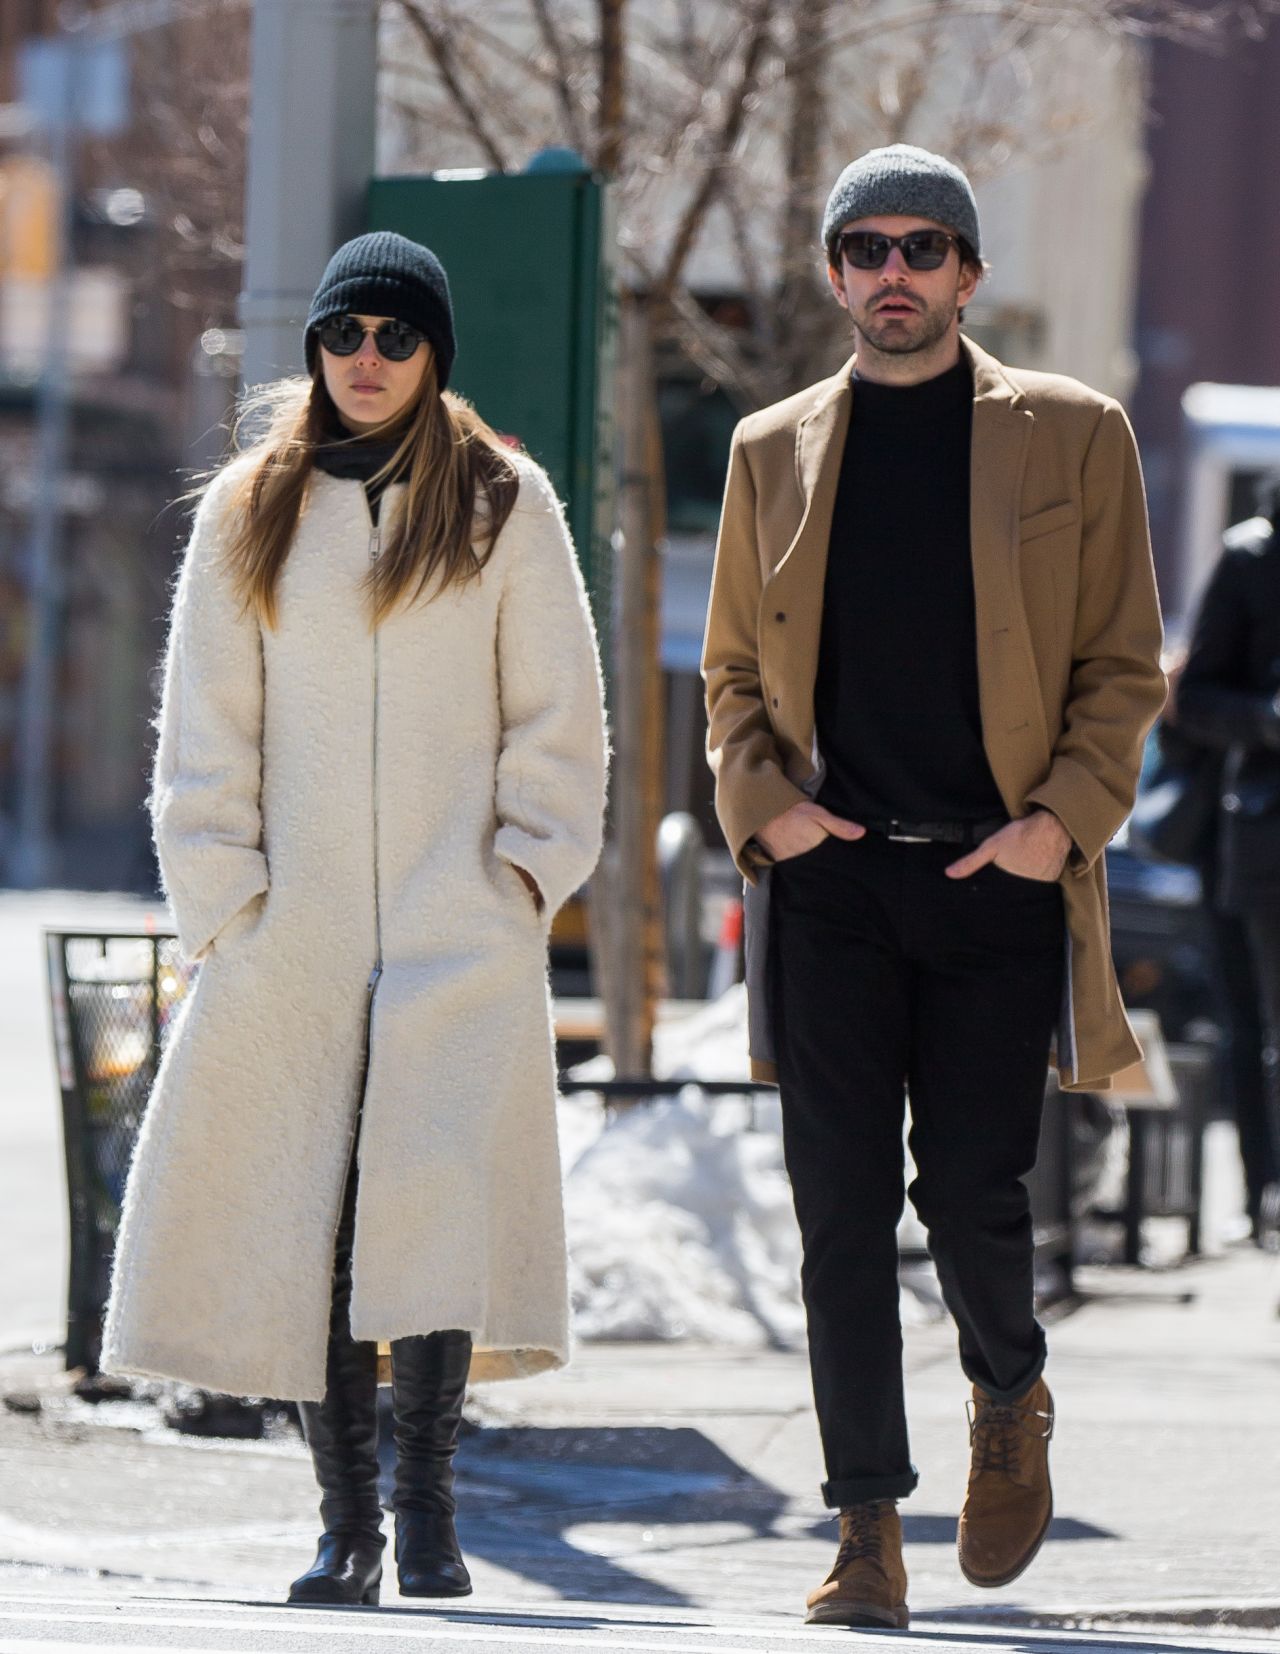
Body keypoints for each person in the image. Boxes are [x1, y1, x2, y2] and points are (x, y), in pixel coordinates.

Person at [102, 231, 608, 1606]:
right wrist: (228, 900)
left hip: (459, 930)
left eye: (392, 336)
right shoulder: (251, 510)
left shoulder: (507, 505)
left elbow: (557, 722)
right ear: (315, 349)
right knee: (314, 1228)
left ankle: (429, 1506)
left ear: (434, 349)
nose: (366, 361)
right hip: (296, 938)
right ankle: (347, 1527)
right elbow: (204, 731)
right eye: (343, 337)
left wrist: (520, 881)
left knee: (428, 1214)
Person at [702, 145, 1164, 1629]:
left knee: (970, 1191)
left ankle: (1008, 1392)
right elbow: (728, 678)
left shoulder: (1077, 436)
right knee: (836, 1211)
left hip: (993, 879)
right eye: (864, 246)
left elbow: (1122, 667)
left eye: (922, 246)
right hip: (830, 878)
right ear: (835, 273)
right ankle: (865, 1529)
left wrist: (1056, 828)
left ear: (967, 273)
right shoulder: (769, 446)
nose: (891, 270)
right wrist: (768, 817)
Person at [1174, 477, 1280, 1241]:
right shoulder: (1252, 556)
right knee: (1257, 1023)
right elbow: (1196, 698)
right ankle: (1267, 1194)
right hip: (1264, 839)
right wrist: (1271, 719)